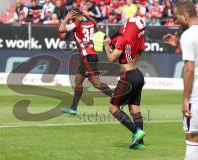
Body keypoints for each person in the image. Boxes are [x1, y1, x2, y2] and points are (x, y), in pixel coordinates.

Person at [59, 8, 113, 115]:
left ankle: (119, 97)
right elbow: (94, 21)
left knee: (97, 84)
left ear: (73, 15)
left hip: (87, 57)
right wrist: (86, 15)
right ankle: (73, 108)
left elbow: (61, 29)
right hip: (89, 56)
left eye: (70, 15)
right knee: (78, 81)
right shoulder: (91, 22)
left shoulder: (76, 24)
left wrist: (66, 19)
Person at [103, 16, 146, 149]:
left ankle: (136, 131)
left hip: (128, 77)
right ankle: (139, 143)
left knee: (113, 108)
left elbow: (111, 58)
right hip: (138, 75)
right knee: (135, 109)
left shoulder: (122, 38)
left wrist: (106, 46)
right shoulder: (139, 40)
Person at [163, 1, 198, 159]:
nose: (176, 21)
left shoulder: (189, 35)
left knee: (192, 137)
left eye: (177, 17)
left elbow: (189, 69)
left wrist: (185, 99)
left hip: (196, 95)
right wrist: (178, 44)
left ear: (184, 16)